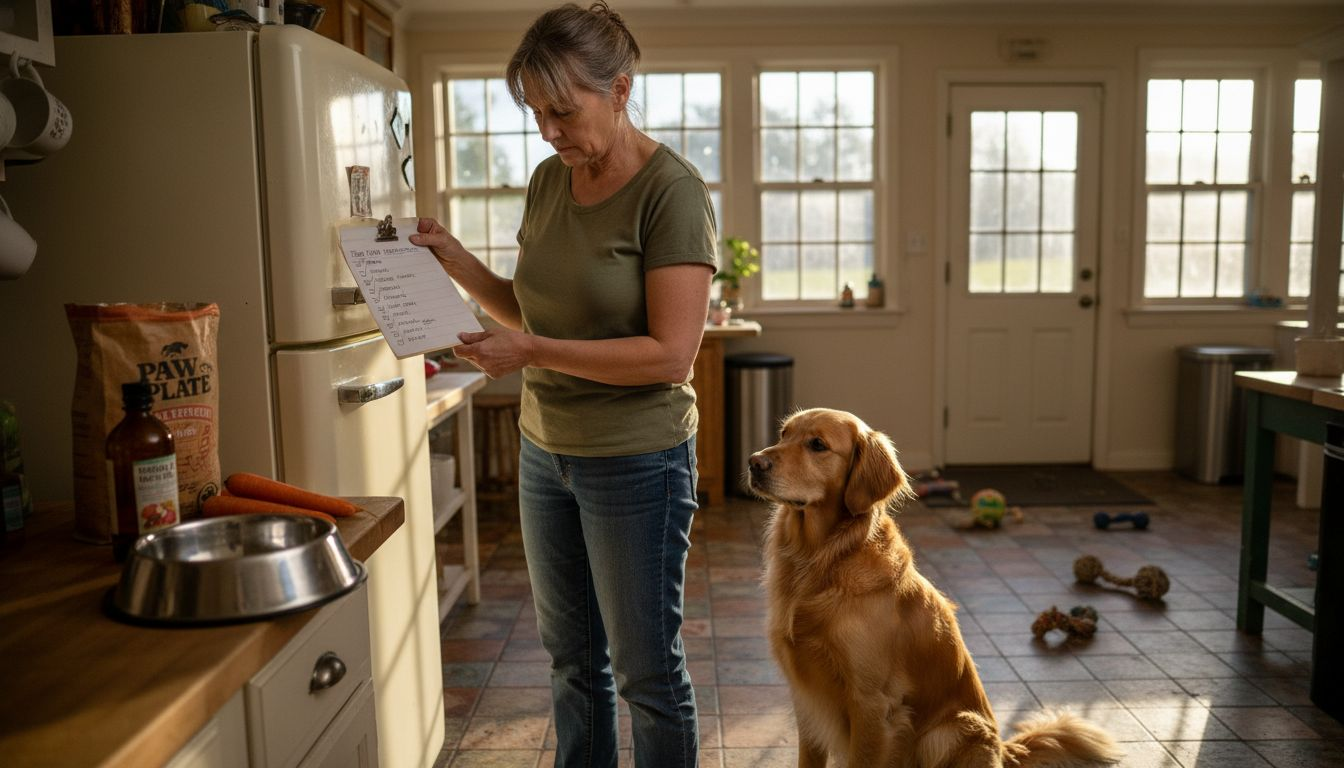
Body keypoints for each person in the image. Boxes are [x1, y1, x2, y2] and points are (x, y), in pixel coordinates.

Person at [409, 3, 715, 766]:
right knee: (574, 665)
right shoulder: (550, 181)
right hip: (546, 454)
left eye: (563, 111)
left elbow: (670, 355)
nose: (549, 131)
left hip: (638, 462)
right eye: (536, 113)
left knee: (647, 674)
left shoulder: (670, 192)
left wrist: (533, 352)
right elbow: (529, 305)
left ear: (619, 90)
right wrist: (452, 257)